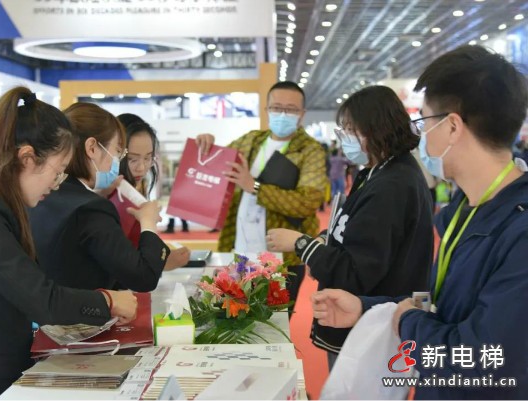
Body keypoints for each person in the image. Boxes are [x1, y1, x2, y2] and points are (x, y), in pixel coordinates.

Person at [312, 45, 528, 399]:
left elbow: (485, 361)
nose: (422, 135)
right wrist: (368, 308)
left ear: (452, 127)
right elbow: (442, 303)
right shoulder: (466, 208)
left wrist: (407, 322)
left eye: (425, 122)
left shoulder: (518, 231)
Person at [0, 87, 137, 400]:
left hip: (4, 372)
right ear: (27, 157)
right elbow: (41, 298)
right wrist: (107, 301)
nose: (56, 183)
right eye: (58, 171)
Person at [267, 85, 434, 368]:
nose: (344, 137)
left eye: (349, 130)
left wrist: (301, 244)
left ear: (376, 128)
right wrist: (322, 241)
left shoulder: (391, 185)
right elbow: (348, 228)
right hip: (365, 321)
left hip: (369, 327)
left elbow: (355, 271)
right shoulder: (378, 172)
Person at [196, 81, 326, 314]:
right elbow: (217, 165)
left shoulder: (310, 150)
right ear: (266, 110)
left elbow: (308, 202)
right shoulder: (251, 140)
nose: (283, 114)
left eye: (291, 109)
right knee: (233, 316)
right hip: (239, 250)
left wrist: (254, 186)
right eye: (277, 107)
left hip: (282, 258)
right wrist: (207, 144)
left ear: (302, 113)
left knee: (274, 321)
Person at [28, 103, 170, 292]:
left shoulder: (44, 195)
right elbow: (143, 278)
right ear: (92, 148)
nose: (117, 161)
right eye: (118, 152)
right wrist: (148, 222)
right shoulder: (91, 208)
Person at [116, 112, 190, 269]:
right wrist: (160, 264)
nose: (141, 167)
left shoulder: (133, 191)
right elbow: (121, 264)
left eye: (148, 158)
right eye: (132, 159)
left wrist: (161, 261)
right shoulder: (112, 196)